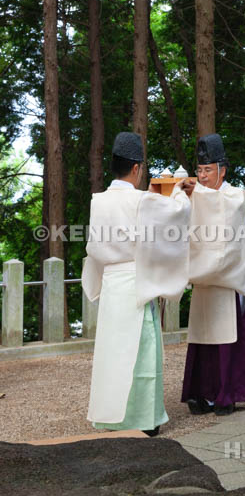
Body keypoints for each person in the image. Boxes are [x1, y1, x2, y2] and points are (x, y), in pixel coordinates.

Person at [82, 132, 191, 435]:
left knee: (111, 354)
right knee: (141, 354)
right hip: (136, 282)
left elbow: (93, 248)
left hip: (112, 283)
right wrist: (180, 191)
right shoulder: (142, 200)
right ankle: (143, 420)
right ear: (136, 168)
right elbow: (176, 214)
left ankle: (108, 417)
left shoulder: (99, 201)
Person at [181, 134, 245, 415]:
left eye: (208, 170)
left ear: (223, 170)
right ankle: (200, 395)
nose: (203, 176)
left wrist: (198, 194)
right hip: (203, 279)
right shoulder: (195, 196)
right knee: (202, 341)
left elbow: (223, 214)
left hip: (226, 283)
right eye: (200, 170)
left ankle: (226, 395)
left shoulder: (235, 196)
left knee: (225, 340)